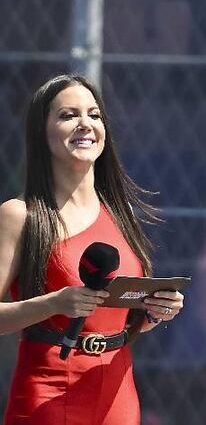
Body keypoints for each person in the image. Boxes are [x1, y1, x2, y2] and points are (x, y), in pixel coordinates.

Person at [0, 74, 184, 424]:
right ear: (41, 131)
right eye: (68, 115)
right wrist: (54, 303)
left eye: (94, 114)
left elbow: (120, 316)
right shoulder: (19, 215)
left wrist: (154, 311)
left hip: (118, 392)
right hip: (49, 391)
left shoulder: (120, 213)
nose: (85, 124)